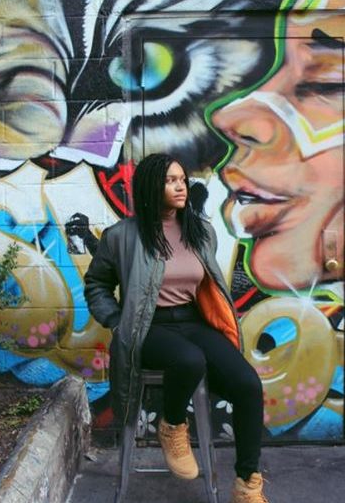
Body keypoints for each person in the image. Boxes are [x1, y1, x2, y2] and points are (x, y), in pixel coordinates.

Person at [84, 153, 268, 503]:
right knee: (189, 360)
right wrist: (116, 321)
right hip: (147, 326)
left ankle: (247, 484)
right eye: (170, 181)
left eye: (182, 179)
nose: (180, 186)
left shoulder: (201, 232)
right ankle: (172, 425)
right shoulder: (121, 236)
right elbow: (96, 284)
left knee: (247, 384)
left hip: (192, 321)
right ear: (151, 186)